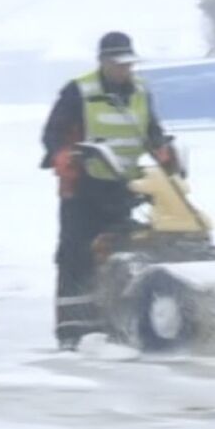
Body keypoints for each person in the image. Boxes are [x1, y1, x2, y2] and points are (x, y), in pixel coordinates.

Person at [40, 31, 180, 350]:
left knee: (121, 249)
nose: (124, 69)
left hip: (122, 186)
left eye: (128, 63)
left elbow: (151, 131)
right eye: (117, 63)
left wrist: (162, 151)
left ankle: (114, 322)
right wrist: (63, 154)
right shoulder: (79, 92)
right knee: (77, 254)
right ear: (103, 62)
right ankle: (73, 330)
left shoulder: (141, 91)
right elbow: (53, 134)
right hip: (83, 185)